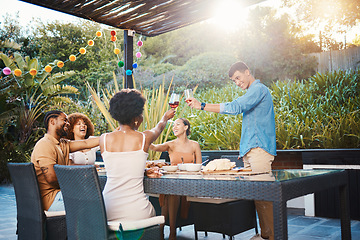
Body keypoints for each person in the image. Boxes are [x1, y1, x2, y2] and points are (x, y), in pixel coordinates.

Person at [186, 61, 276, 240]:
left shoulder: (258, 90)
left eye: (238, 77)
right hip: (251, 150)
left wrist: (202, 105)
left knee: (264, 196)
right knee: (259, 195)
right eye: (234, 80)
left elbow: (235, 107)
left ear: (248, 72)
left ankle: (272, 236)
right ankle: (266, 235)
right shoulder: (252, 93)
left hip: (259, 150)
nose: (237, 82)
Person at [100, 89, 175, 224]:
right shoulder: (143, 138)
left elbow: (121, 166)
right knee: (156, 213)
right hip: (136, 211)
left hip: (106, 209)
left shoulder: (104, 139)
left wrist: (144, 171)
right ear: (136, 117)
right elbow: (158, 128)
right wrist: (165, 118)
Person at [31, 110, 100, 211]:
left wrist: (111, 136)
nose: (68, 124)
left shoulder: (62, 144)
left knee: (96, 199)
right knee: (92, 207)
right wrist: (78, 179)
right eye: (64, 120)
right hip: (51, 200)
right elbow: (52, 179)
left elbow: (86, 143)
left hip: (61, 194)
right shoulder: (45, 144)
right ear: (52, 122)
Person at [150, 118, 202, 240]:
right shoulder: (170, 144)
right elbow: (154, 147)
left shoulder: (195, 145)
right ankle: (170, 232)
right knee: (171, 192)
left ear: (186, 127)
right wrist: (145, 138)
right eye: (173, 125)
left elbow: (199, 167)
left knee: (170, 192)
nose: (174, 127)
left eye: (177, 124)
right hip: (172, 182)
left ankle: (163, 230)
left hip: (189, 182)